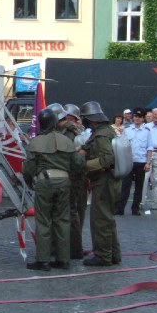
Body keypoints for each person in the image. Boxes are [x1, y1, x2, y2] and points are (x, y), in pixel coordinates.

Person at [23, 108, 84, 270]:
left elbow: (28, 167)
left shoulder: (35, 142)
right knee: (62, 220)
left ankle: (43, 260)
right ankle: (63, 259)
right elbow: (78, 164)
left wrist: (29, 181)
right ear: (55, 123)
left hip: (44, 181)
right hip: (64, 181)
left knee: (43, 221)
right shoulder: (66, 141)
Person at [78, 101, 121, 266]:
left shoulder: (101, 135)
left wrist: (85, 165)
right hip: (108, 180)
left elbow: (107, 159)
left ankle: (103, 256)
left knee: (100, 219)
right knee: (108, 219)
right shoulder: (105, 131)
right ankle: (113, 254)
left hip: (104, 180)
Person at [62, 103, 89, 259]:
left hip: (76, 177)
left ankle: (75, 247)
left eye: (69, 118)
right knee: (72, 213)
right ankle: (70, 245)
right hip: (70, 177)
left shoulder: (77, 134)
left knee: (75, 213)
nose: (67, 120)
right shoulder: (73, 133)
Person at [117, 108, 151, 216]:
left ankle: (135, 208)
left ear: (143, 119)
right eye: (136, 116)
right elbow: (122, 145)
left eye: (139, 117)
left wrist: (148, 163)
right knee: (125, 185)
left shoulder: (147, 131)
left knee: (139, 186)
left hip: (141, 161)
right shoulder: (127, 130)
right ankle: (120, 208)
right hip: (129, 161)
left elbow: (149, 148)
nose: (137, 119)